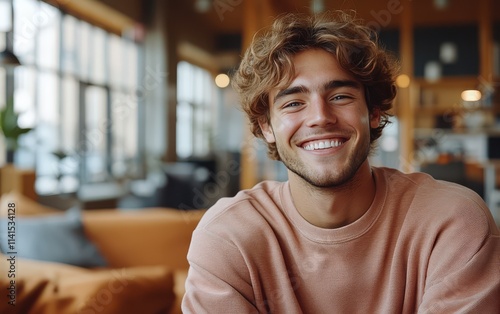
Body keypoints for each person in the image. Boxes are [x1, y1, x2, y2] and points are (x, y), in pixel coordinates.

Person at [182, 11, 500, 313]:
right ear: (267, 127)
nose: (320, 117)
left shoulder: (453, 223)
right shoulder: (227, 238)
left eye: (340, 97)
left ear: (374, 113)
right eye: (293, 102)